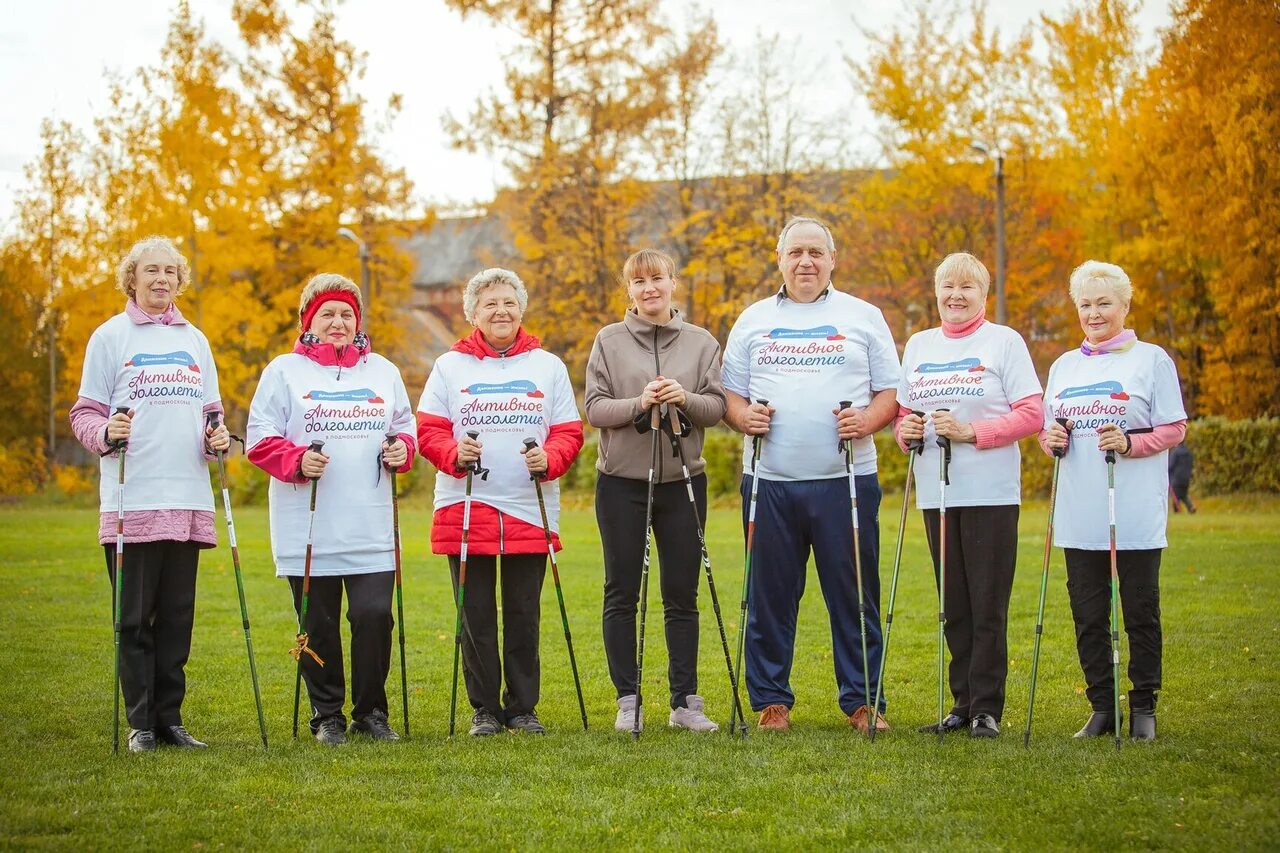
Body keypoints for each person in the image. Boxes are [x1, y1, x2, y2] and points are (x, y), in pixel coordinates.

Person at [721, 216, 901, 733]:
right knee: (768, 597)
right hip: (769, 481)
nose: (806, 262)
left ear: (832, 259)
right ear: (779, 259)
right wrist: (741, 417)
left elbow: (891, 391)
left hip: (845, 480)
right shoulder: (753, 319)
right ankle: (771, 702)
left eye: (816, 253)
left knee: (854, 594)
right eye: (796, 252)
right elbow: (730, 395)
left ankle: (864, 701)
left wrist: (867, 420)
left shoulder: (863, 315)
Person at [70, 236, 230, 753]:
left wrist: (218, 439)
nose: (161, 280)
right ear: (132, 279)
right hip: (131, 500)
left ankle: (170, 719)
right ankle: (140, 723)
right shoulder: (110, 337)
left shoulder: (195, 341)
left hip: (187, 497)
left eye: (170, 272)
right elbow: (84, 414)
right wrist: (106, 434)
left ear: (179, 281)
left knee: (177, 618)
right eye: (151, 271)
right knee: (134, 619)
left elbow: (211, 416)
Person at [246, 273, 415, 746]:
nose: (338, 323)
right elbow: (260, 438)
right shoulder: (283, 371)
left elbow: (405, 426)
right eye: (327, 314)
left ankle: (371, 711)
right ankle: (326, 713)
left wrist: (402, 447)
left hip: (370, 521)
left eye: (346, 314)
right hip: (308, 523)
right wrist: (297, 459)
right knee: (315, 623)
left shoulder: (383, 370)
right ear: (308, 321)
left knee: (374, 615)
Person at [417, 267, 584, 736]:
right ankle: (485, 710)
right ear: (473, 313)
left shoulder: (548, 366)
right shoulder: (450, 366)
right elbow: (427, 430)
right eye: (490, 304)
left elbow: (568, 432)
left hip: (529, 506)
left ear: (521, 308)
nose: (501, 311)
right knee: (475, 616)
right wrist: (454, 452)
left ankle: (523, 707)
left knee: (523, 613)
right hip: (466, 505)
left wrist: (548, 459)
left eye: (509, 302)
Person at [896, 252, 1044, 738]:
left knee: (987, 601)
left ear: (984, 294)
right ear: (936, 292)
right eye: (947, 287)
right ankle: (960, 703)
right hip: (936, 493)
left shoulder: (1004, 342)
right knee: (953, 602)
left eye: (967, 287)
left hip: (990, 491)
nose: (956, 296)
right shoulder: (918, 344)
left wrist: (971, 432)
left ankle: (986, 706)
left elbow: (1031, 414)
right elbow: (901, 418)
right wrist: (910, 430)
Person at [1041, 260, 1187, 742]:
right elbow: (1049, 433)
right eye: (1085, 304)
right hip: (1078, 511)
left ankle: (1143, 706)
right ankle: (1102, 707)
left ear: (1125, 306)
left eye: (1104, 302)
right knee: (1087, 614)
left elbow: (1173, 428)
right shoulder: (1064, 365)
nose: (1094, 312)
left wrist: (1129, 443)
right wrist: (1054, 440)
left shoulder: (1151, 359)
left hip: (1134, 512)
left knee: (1140, 610)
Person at [584, 248, 728, 733]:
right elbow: (595, 408)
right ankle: (629, 700)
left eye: (658, 279)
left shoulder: (702, 342)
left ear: (673, 283)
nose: (650, 288)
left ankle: (685, 702)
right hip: (622, 484)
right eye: (639, 281)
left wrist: (683, 397)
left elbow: (716, 407)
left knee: (681, 593)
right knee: (622, 590)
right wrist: (638, 402)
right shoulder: (608, 341)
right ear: (629, 290)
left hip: (684, 482)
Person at [1168, 442, 1195, 513]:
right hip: (1186, 477)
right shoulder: (1188, 452)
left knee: (1175, 495)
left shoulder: (1175, 452)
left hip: (1176, 477)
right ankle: (1191, 507)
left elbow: (1170, 465)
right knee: (1183, 494)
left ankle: (1177, 511)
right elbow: (1191, 464)